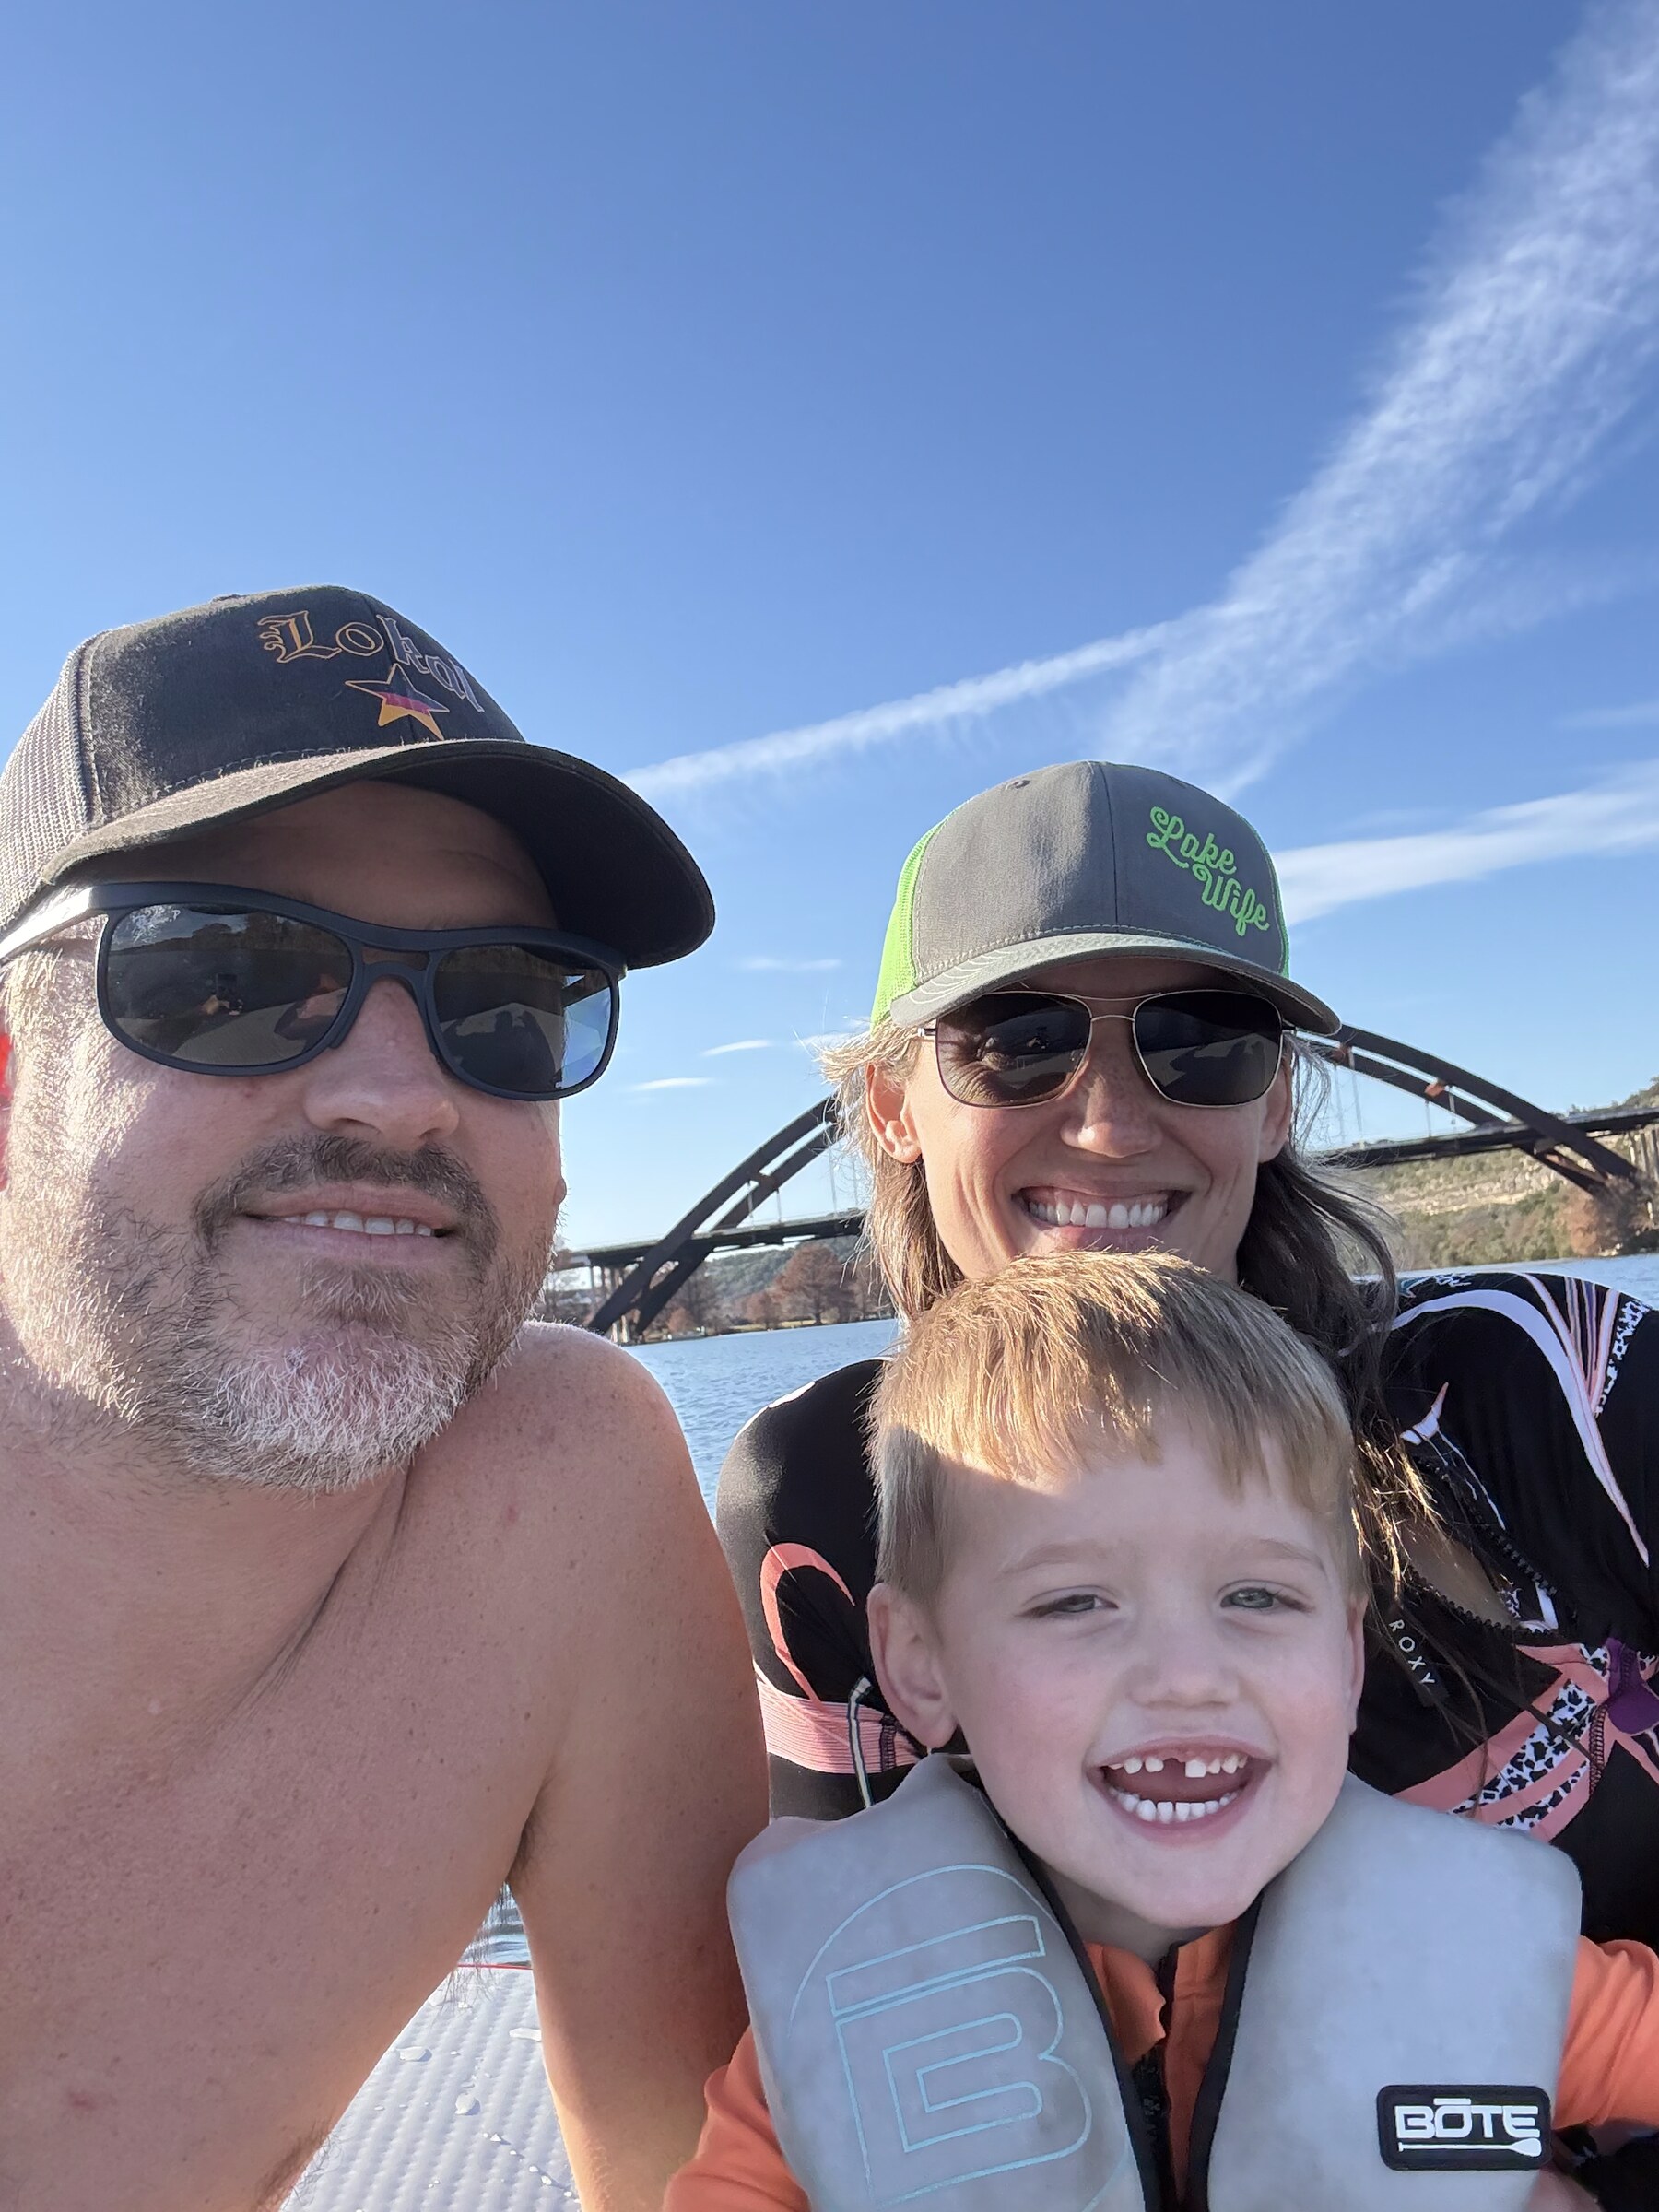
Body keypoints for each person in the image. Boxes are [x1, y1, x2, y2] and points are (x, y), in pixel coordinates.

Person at [714, 760, 1658, 2205]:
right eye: (1016, 1041)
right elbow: (884, 2030)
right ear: (895, 1101)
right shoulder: (827, 1508)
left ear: (1279, 1100)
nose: (1105, 1123)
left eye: (1202, 1042)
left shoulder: (1568, 1381)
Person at [0, 587, 766, 2212]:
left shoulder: (566, 1492)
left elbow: (692, 2180)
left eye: (505, 1001)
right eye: (227, 971)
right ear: (12, 1071)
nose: (406, 1098)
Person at [675, 1255, 1659, 2208]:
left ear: (1348, 1653)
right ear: (921, 1664)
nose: (1189, 1677)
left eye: (1258, 1595)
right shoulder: (842, 2029)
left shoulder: (1486, 1969)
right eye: (1075, 1604)